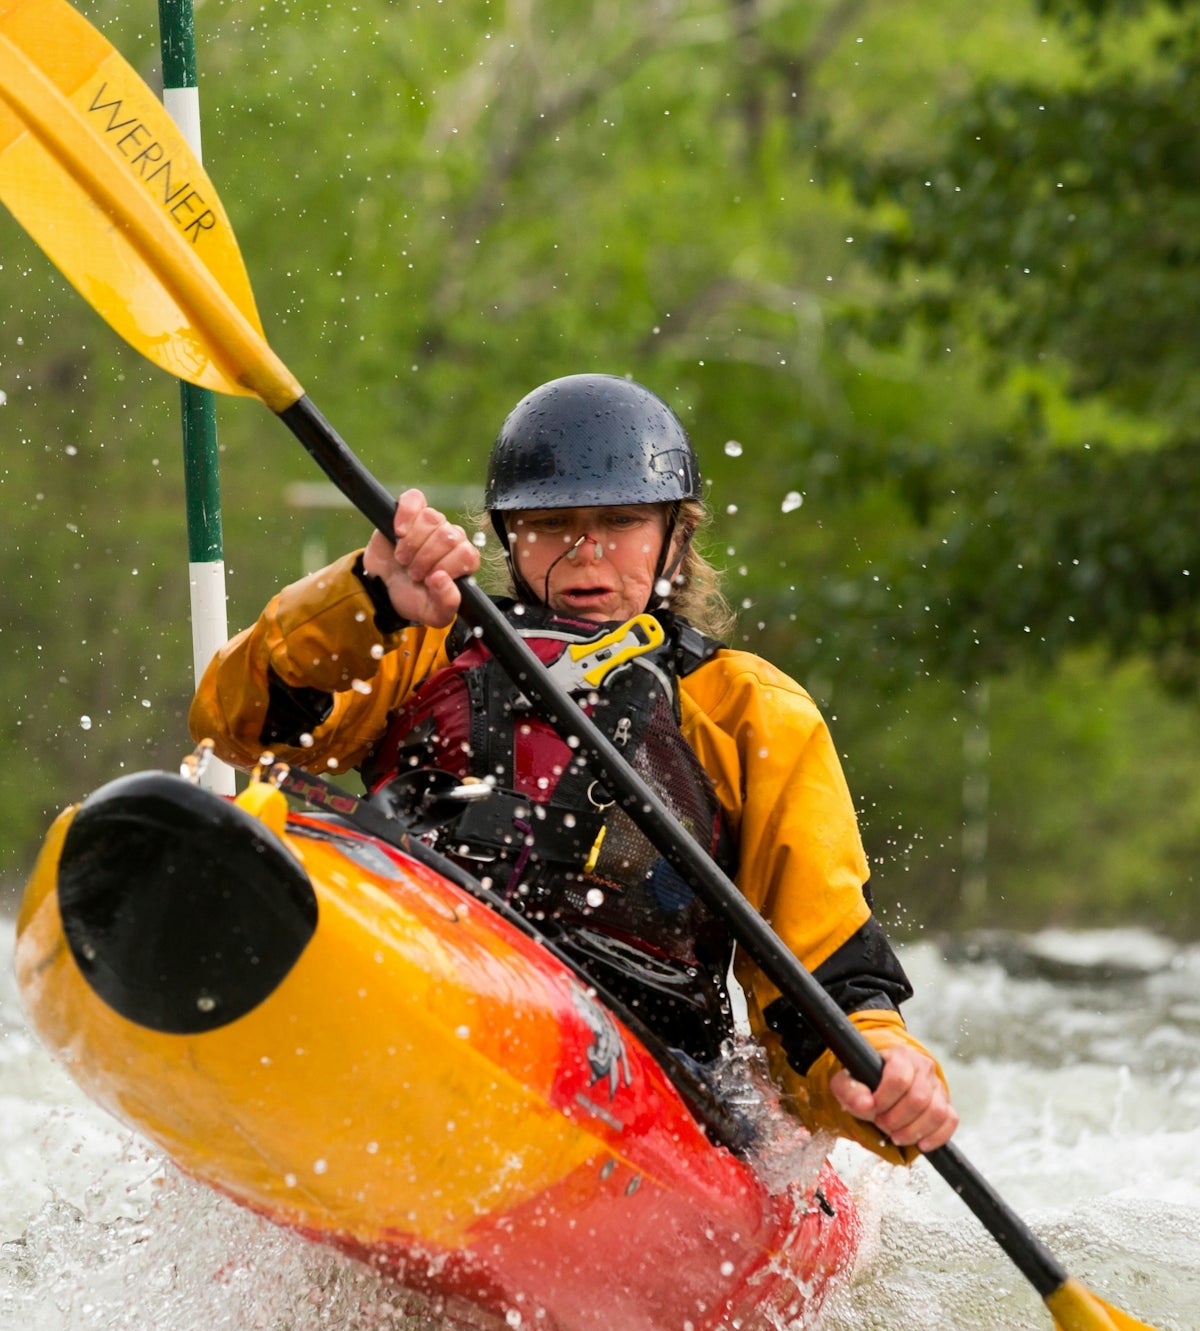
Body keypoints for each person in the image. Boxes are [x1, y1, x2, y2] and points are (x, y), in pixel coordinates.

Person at [191, 374, 956, 1161]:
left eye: (620, 522)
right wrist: (366, 598)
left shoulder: (748, 710)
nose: (586, 553)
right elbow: (237, 725)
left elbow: (821, 963)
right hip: (425, 978)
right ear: (510, 535)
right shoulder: (418, 646)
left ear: (675, 538)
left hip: (648, 1073)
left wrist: (878, 1067)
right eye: (553, 523)